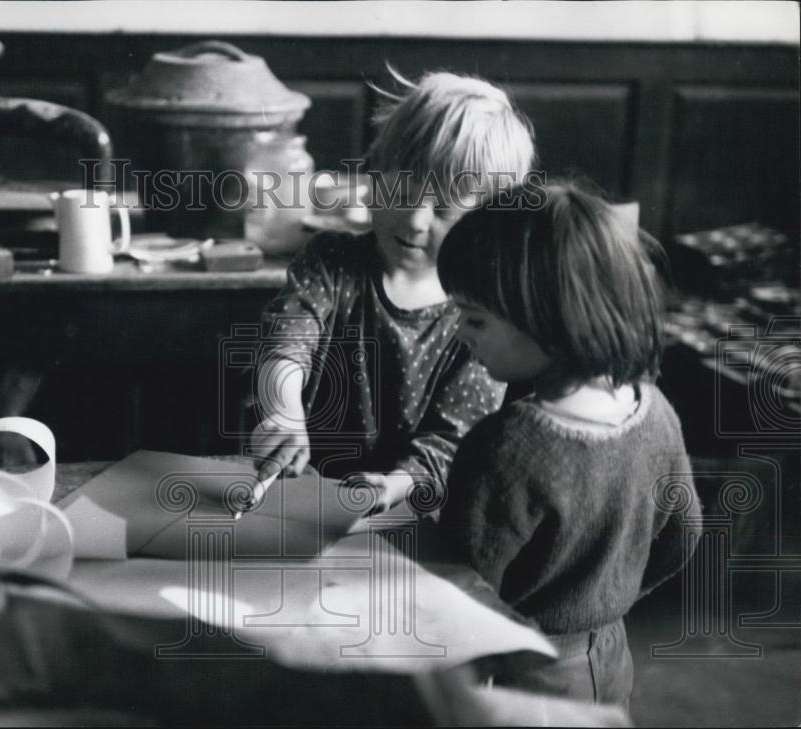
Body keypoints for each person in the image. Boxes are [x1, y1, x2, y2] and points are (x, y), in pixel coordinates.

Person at [432, 182, 702, 707]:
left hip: (526, 666)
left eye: (476, 318)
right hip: (611, 653)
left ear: (546, 322)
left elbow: (459, 590)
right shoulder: (654, 407)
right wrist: (605, 598)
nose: (460, 333)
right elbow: (683, 534)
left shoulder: (505, 445)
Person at [249, 70, 535, 510]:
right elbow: (287, 343)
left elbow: (454, 440)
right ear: (375, 174)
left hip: (409, 515)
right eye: (403, 192)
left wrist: (395, 485)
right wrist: (282, 410)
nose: (416, 220)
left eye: (443, 208)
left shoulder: (483, 314)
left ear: (487, 222)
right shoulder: (330, 262)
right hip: (296, 497)